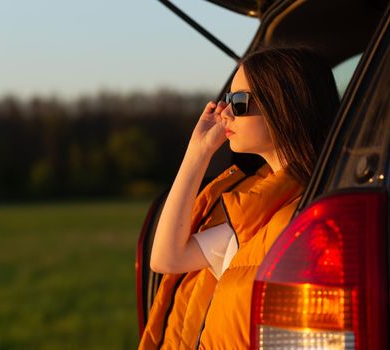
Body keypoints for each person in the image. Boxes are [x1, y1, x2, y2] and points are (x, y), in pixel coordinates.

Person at [139, 46, 340, 349]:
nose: (226, 113)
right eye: (228, 100)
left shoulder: (309, 213)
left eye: (240, 102)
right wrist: (199, 151)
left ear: (283, 108)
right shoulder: (253, 204)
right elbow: (167, 258)